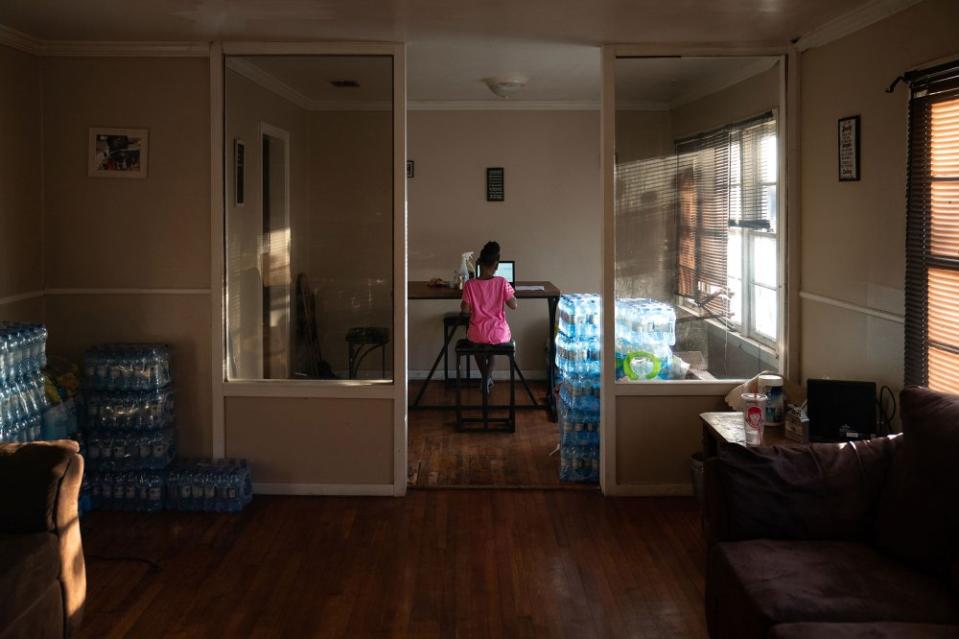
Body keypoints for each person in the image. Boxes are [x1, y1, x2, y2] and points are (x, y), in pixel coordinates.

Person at [461, 241, 517, 397]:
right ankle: (487, 378)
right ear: (497, 265)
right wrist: (508, 294)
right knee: (492, 346)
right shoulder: (502, 282)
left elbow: (465, 310)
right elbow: (513, 305)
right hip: (498, 333)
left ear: (479, 263)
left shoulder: (469, 284)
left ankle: (485, 377)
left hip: (477, 332)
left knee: (479, 345)